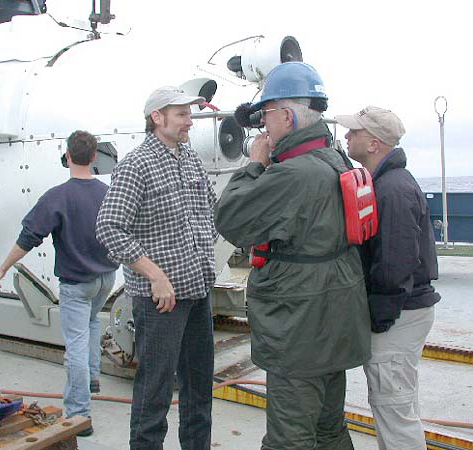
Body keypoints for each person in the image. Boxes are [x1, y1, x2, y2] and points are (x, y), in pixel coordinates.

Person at [215, 62, 371, 450]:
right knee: (329, 427)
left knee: (291, 437)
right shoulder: (334, 159)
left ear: (287, 116)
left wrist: (254, 164)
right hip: (334, 317)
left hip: (300, 325)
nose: (264, 127)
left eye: (266, 116)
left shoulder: (292, 174)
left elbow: (230, 219)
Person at [95, 86, 217, 450]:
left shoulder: (190, 159)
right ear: (157, 118)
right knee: (155, 394)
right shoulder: (136, 164)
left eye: (189, 114)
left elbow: (209, 208)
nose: (189, 121)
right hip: (161, 302)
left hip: (197, 293)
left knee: (199, 390)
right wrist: (155, 274)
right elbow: (108, 227)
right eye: (181, 114)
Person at [0, 130, 119, 436]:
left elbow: (28, 238)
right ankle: (91, 379)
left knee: (75, 343)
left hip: (77, 284)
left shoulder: (57, 197)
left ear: (68, 156)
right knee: (90, 323)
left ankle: (78, 415)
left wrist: (2, 270)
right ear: (94, 158)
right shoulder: (107, 193)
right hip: (106, 279)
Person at [335, 106, 441, 450]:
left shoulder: (392, 190)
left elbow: (396, 264)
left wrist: (380, 317)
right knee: (398, 405)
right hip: (407, 310)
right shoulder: (388, 182)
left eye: (355, 132)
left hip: (399, 315)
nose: (348, 136)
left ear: (375, 142)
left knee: (394, 409)